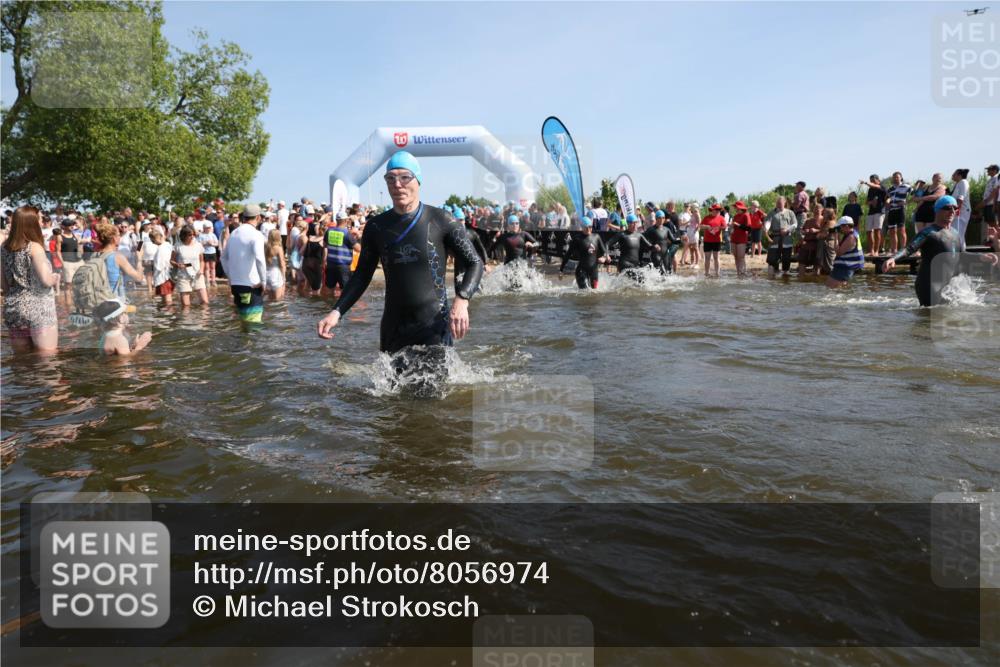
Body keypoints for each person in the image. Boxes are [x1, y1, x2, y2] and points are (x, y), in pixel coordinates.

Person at [316, 151, 483, 371]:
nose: (397, 184)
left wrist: (462, 301)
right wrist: (336, 311)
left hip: (434, 326)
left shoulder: (441, 220)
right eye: (390, 178)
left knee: (434, 401)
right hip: (393, 329)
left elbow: (475, 263)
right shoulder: (377, 227)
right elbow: (362, 275)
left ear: (418, 180)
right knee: (392, 401)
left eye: (405, 177)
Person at [882, 195, 998, 306]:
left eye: (955, 208)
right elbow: (909, 248)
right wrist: (894, 259)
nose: (952, 211)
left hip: (948, 287)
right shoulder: (929, 233)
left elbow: (961, 256)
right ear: (937, 210)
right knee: (928, 320)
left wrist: (981, 257)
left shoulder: (955, 233)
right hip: (929, 285)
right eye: (947, 208)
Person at [1, 206, 59, 353]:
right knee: (47, 358)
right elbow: (46, 280)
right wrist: (56, 277)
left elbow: (3, 284)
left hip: (14, 307)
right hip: (38, 308)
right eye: (38, 219)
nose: (41, 222)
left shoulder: (3, 247)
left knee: (21, 358)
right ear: (31, 222)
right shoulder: (34, 247)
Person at [220, 203, 267, 323]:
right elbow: (260, 259)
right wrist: (264, 281)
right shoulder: (256, 234)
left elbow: (223, 258)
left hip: (236, 286)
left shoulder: (234, 233)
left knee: (243, 321)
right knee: (254, 324)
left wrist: (231, 276)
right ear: (258, 217)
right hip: (252, 285)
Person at [96, 222, 146, 300]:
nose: (120, 236)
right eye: (118, 235)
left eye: (125, 227)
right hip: (114, 301)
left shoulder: (96, 255)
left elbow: (139, 244)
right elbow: (139, 278)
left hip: (100, 299)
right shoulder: (118, 257)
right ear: (114, 238)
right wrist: (139, 259)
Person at [560, 217, 609, 289]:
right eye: (586, 227)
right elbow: (568, 254)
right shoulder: (577, 239)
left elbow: (604, 251)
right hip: (581, 271)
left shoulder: (596, 237)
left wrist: (605, 257)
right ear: (582, 227)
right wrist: (561, 270)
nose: (589, 229)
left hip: (594, 271)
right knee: (584, 294)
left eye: (590, 227)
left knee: (594, 294)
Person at [607, 214, 655, 281]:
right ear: (628, 223)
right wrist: (606, 255)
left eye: (636, 222)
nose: (635, 225)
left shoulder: (639, 235)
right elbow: (607, 244)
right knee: (641, 279)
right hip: (624, 264)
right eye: (633, 223)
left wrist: (655, 247)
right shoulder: (622, 234)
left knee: (636, 283)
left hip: (635, 265)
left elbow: (650, 247)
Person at [323, 212, 360, 296]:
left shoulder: (329, 231)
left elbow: (325, 246)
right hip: (343, 266)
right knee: (345, 290)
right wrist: (357, 237)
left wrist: (324, 260)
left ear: (336, 220)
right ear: (346, 220)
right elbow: (358, 249)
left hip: (331, 264)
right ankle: (341, 307)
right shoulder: (347, 233)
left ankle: (328, 306)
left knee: (329, 288)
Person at [172, 224, 208, 308]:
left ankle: (203, 319)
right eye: (189, 235)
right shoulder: (178, 245)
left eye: (193, 234)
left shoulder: (198, 245)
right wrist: (177, 265)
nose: (192, 236)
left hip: (198, 274)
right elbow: (171, 260)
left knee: (205, 302)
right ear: (184, 235)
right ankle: (186, 320)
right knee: (186, 305)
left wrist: (201, 270)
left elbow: (202, 260)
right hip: (183, 276)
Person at [453, 209, 488, 294]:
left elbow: (481, 249)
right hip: (459, 268)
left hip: (473, 266)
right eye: (457, 220)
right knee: (459, 293)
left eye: (461, 220)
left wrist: (486, 263)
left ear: (464, 221)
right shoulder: (450, 235)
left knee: (480, 294)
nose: (460, 222)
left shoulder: (472, 233)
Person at [825, 217, 865, 288]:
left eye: (840, 227)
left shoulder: (851, 237)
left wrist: (836, 237)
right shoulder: (850, 235)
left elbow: (838, 252)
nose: (839, 230)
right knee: (837, 289)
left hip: (846, 267)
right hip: (844, 266)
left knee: (831, 288)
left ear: (846, 226)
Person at [764, 196, 797, 277]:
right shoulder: (772, 212)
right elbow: (768, 222)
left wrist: (787, 230)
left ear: (784, 203)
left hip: (787, 240)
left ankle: (785, 280)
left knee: (786, 261)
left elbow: (795, 224)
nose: (778, 204)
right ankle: (773, 279)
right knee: (772, 261)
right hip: (774, 239)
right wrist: (766, 228)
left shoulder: (790, 213)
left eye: (780, 203)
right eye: (777, 203)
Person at [884, 171, 911, 255]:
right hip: (892, 210)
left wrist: (906, 202)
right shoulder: (890, 189)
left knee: (901, 230)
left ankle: (903, 250)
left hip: (900, 209)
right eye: (894, 177)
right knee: (892, 231)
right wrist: (888, 201)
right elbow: (888, 198)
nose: (895, 178)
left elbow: (915, 194)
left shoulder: (906, 186)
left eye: (897, 177)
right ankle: (894, 250)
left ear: (901, 178)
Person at [861, 174, 887, 255]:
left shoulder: (882, 187)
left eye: (873, 180)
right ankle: (871, 250)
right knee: (869, 232)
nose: (871, 182)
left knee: (877, 231)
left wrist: (865, 182)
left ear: (878, 180)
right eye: (870, 180)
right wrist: (871, 202)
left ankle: (876, 251)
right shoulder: (870, 190)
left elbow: (876, 187)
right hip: (871, 212)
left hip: (880, 212)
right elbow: (866, 202)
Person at [299, 220, 325, 296]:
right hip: (316, 265)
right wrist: (324, 263)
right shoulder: (323, 240)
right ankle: (314, 305)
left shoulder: (309, 238)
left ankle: (304, 300)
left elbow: (301, 252)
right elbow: (325, 255)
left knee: (308, 284)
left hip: (305, 265)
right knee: (316, 289)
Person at [699, 204, 726, 278]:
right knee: (707, 258)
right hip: (707, 240)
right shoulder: (706, 217)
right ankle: (707, 273)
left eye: (718, 210)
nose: (717, 211)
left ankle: (717, 273)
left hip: (717, 240)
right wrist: (706, 226)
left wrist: (719, 228)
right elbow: (700, 226)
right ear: (712, 210)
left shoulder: (721, 218)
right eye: (716, 210)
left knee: (716, 257)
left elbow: (725, 227)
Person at [950, 168, 972, 250]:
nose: (952, 176)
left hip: (962, 211)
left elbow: (961, 198)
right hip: (957, 210)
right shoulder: (957, 184)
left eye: (954, 174)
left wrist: (957, 209)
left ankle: (961, 253)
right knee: (955, 232)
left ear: (959, 175)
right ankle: (959, 251)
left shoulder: (963, 182)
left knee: (958, 233)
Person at [729, 201, 752, 277]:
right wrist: (731, 226)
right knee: (736, 256)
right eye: (735, 207)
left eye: (736, 207)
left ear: (741, 208)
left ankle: (743, 273)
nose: (735, 208)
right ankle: (738, 273)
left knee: (741, 257)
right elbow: (733, 226)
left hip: (742, 238)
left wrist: (738, 225)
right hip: (734, 237)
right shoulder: (735, 216)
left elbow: (749, 228)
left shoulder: (746, 215)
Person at [798, 204, 821, 275]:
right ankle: (801, 278)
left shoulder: (823, 220)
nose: (816, 210)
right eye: (815, 209)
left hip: (817, 244)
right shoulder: (808, 220)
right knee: (802, 262)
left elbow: (826, 231)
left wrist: (816, 230)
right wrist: (805, 231)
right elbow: (802, 230)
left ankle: (815, 279)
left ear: (822, 210)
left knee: (817, 264)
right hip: (806, 243)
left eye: (818, 209)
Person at [815, 208, 839, 276]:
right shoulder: (825, 222)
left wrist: (818, 236)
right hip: (824, 244)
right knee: (824, 265)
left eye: (824, 213)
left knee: (829, 264)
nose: (823, 214)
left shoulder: (831, 222)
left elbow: (825, 234)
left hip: (829, 243)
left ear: (829, 214)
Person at [264, 229, 286, 300]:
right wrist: (284, 278)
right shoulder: (278, 248)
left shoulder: (265, 247)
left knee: (270, 300)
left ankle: (270, 311)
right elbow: (282, 265)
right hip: (276, 274)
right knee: (278, 300)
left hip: (266, 274)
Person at [981, 164, 999, 242]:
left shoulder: (996, 178)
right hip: (987, 204)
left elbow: (995, 191)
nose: (988, 171)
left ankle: (997, 239)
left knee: (994, 222)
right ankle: (994, 239)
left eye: (990, 169)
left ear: (995, 170)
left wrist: (987, 201)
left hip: (992, 203)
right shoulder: (991, 179)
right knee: (990, 222)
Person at [48, 226, 63, 296]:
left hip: (53, 257)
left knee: (56, 274)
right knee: (57, 274)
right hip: (56, 258)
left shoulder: (51, 239)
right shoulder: (58, 240)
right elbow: (58, 251)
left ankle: (57, 290)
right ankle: (57, 290)